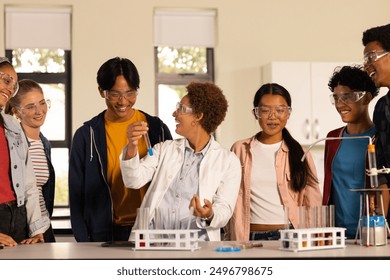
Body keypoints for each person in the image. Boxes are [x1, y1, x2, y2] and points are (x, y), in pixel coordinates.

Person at [120, 81, 241, 241]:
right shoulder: (164, 149)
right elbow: (133, 180)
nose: (174, 113)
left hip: (197, 249)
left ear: (198, 116)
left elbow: (224, 211)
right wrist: (132, 146)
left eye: (181, 109)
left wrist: (209, 214)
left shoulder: (228, 161)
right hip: (153, 246)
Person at [69, 57, 172, 242]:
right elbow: (76, 195)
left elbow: (171, 182)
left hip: (152, 230)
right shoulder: (86, 135)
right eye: (115, 94)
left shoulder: (157, 129)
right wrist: (83, 240)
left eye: (130, 93)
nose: (123, 101)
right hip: (104, 233)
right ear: (102, 92)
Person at [224, 83, 322, 241]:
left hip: (291, 237)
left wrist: (317, 240)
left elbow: (313, 202)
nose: (272, 116)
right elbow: (228, 196)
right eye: (265, 110)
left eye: (280, 110)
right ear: (256, 113)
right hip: (249, 238)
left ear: (288, 113)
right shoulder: (239, 149)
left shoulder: (301, 153)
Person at [323, 65, 385, 239]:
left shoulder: (380, 139)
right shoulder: (333, 138)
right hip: (337, 236)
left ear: (366, 98)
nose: (339, 104)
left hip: (371, 233)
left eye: (347, 97)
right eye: (336, 97)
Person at [0, 57, 50, 247]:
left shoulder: (12, 126)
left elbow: (29, 183)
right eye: (6, 80)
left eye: (13, 85)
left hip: (19, 216)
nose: (10, 88)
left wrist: (37, 230)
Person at [5, 79, 56, 242]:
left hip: (44, 226)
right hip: (22, 230)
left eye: (42, 103)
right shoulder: (11, 144)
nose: (39, 111)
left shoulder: (44, 143)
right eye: (30, 106)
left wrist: (43, 226)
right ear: (17, 112)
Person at [362, 23, 390, 222]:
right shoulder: (383, 107)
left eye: (371, 56)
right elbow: (382, 174)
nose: (366, 65)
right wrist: (381, 222)